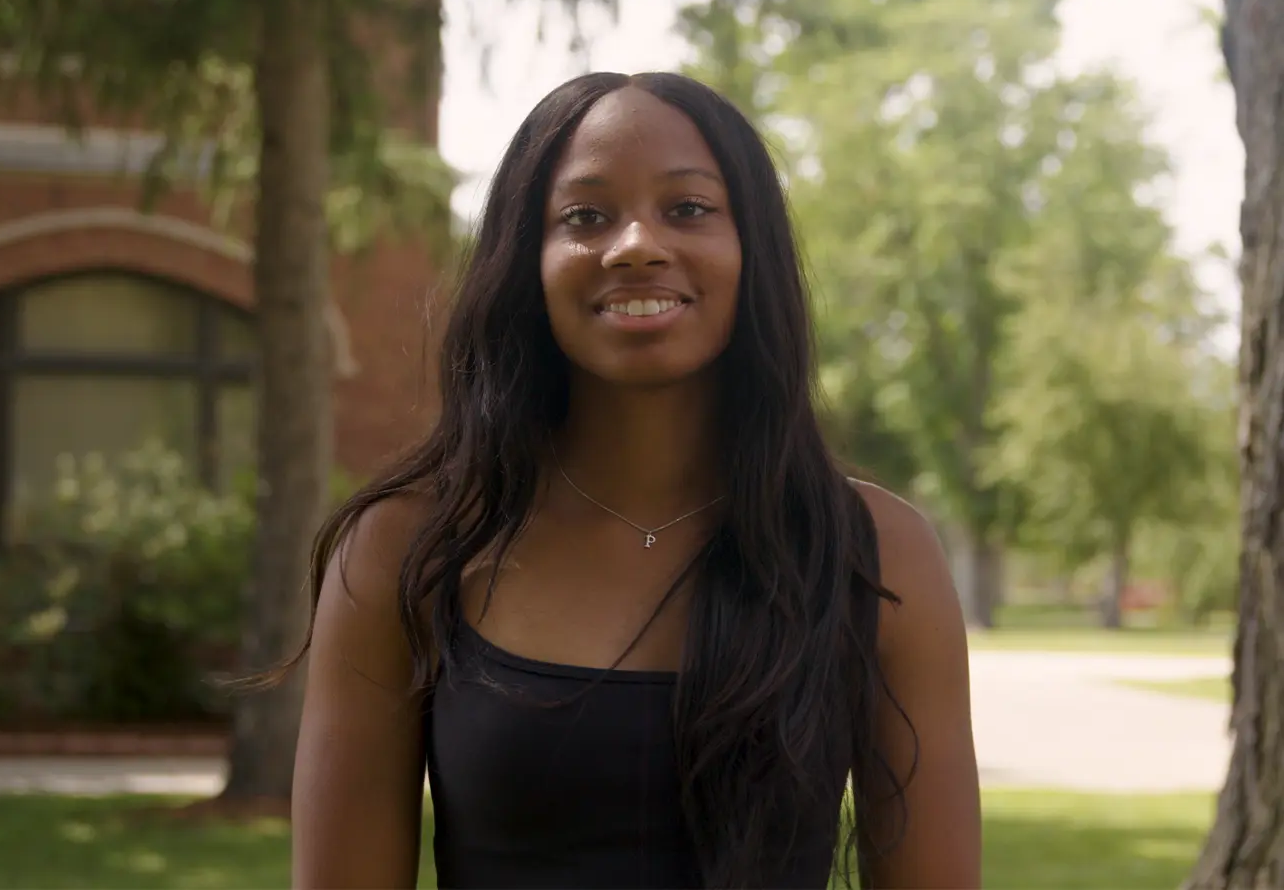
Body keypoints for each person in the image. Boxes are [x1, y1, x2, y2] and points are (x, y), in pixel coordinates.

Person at [285, 71, 981, 889]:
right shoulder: (406, 549)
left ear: (750, 249)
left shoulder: (877, 552)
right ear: (527, 261)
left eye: (688, 209)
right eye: (585, 216)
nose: (637, 244)